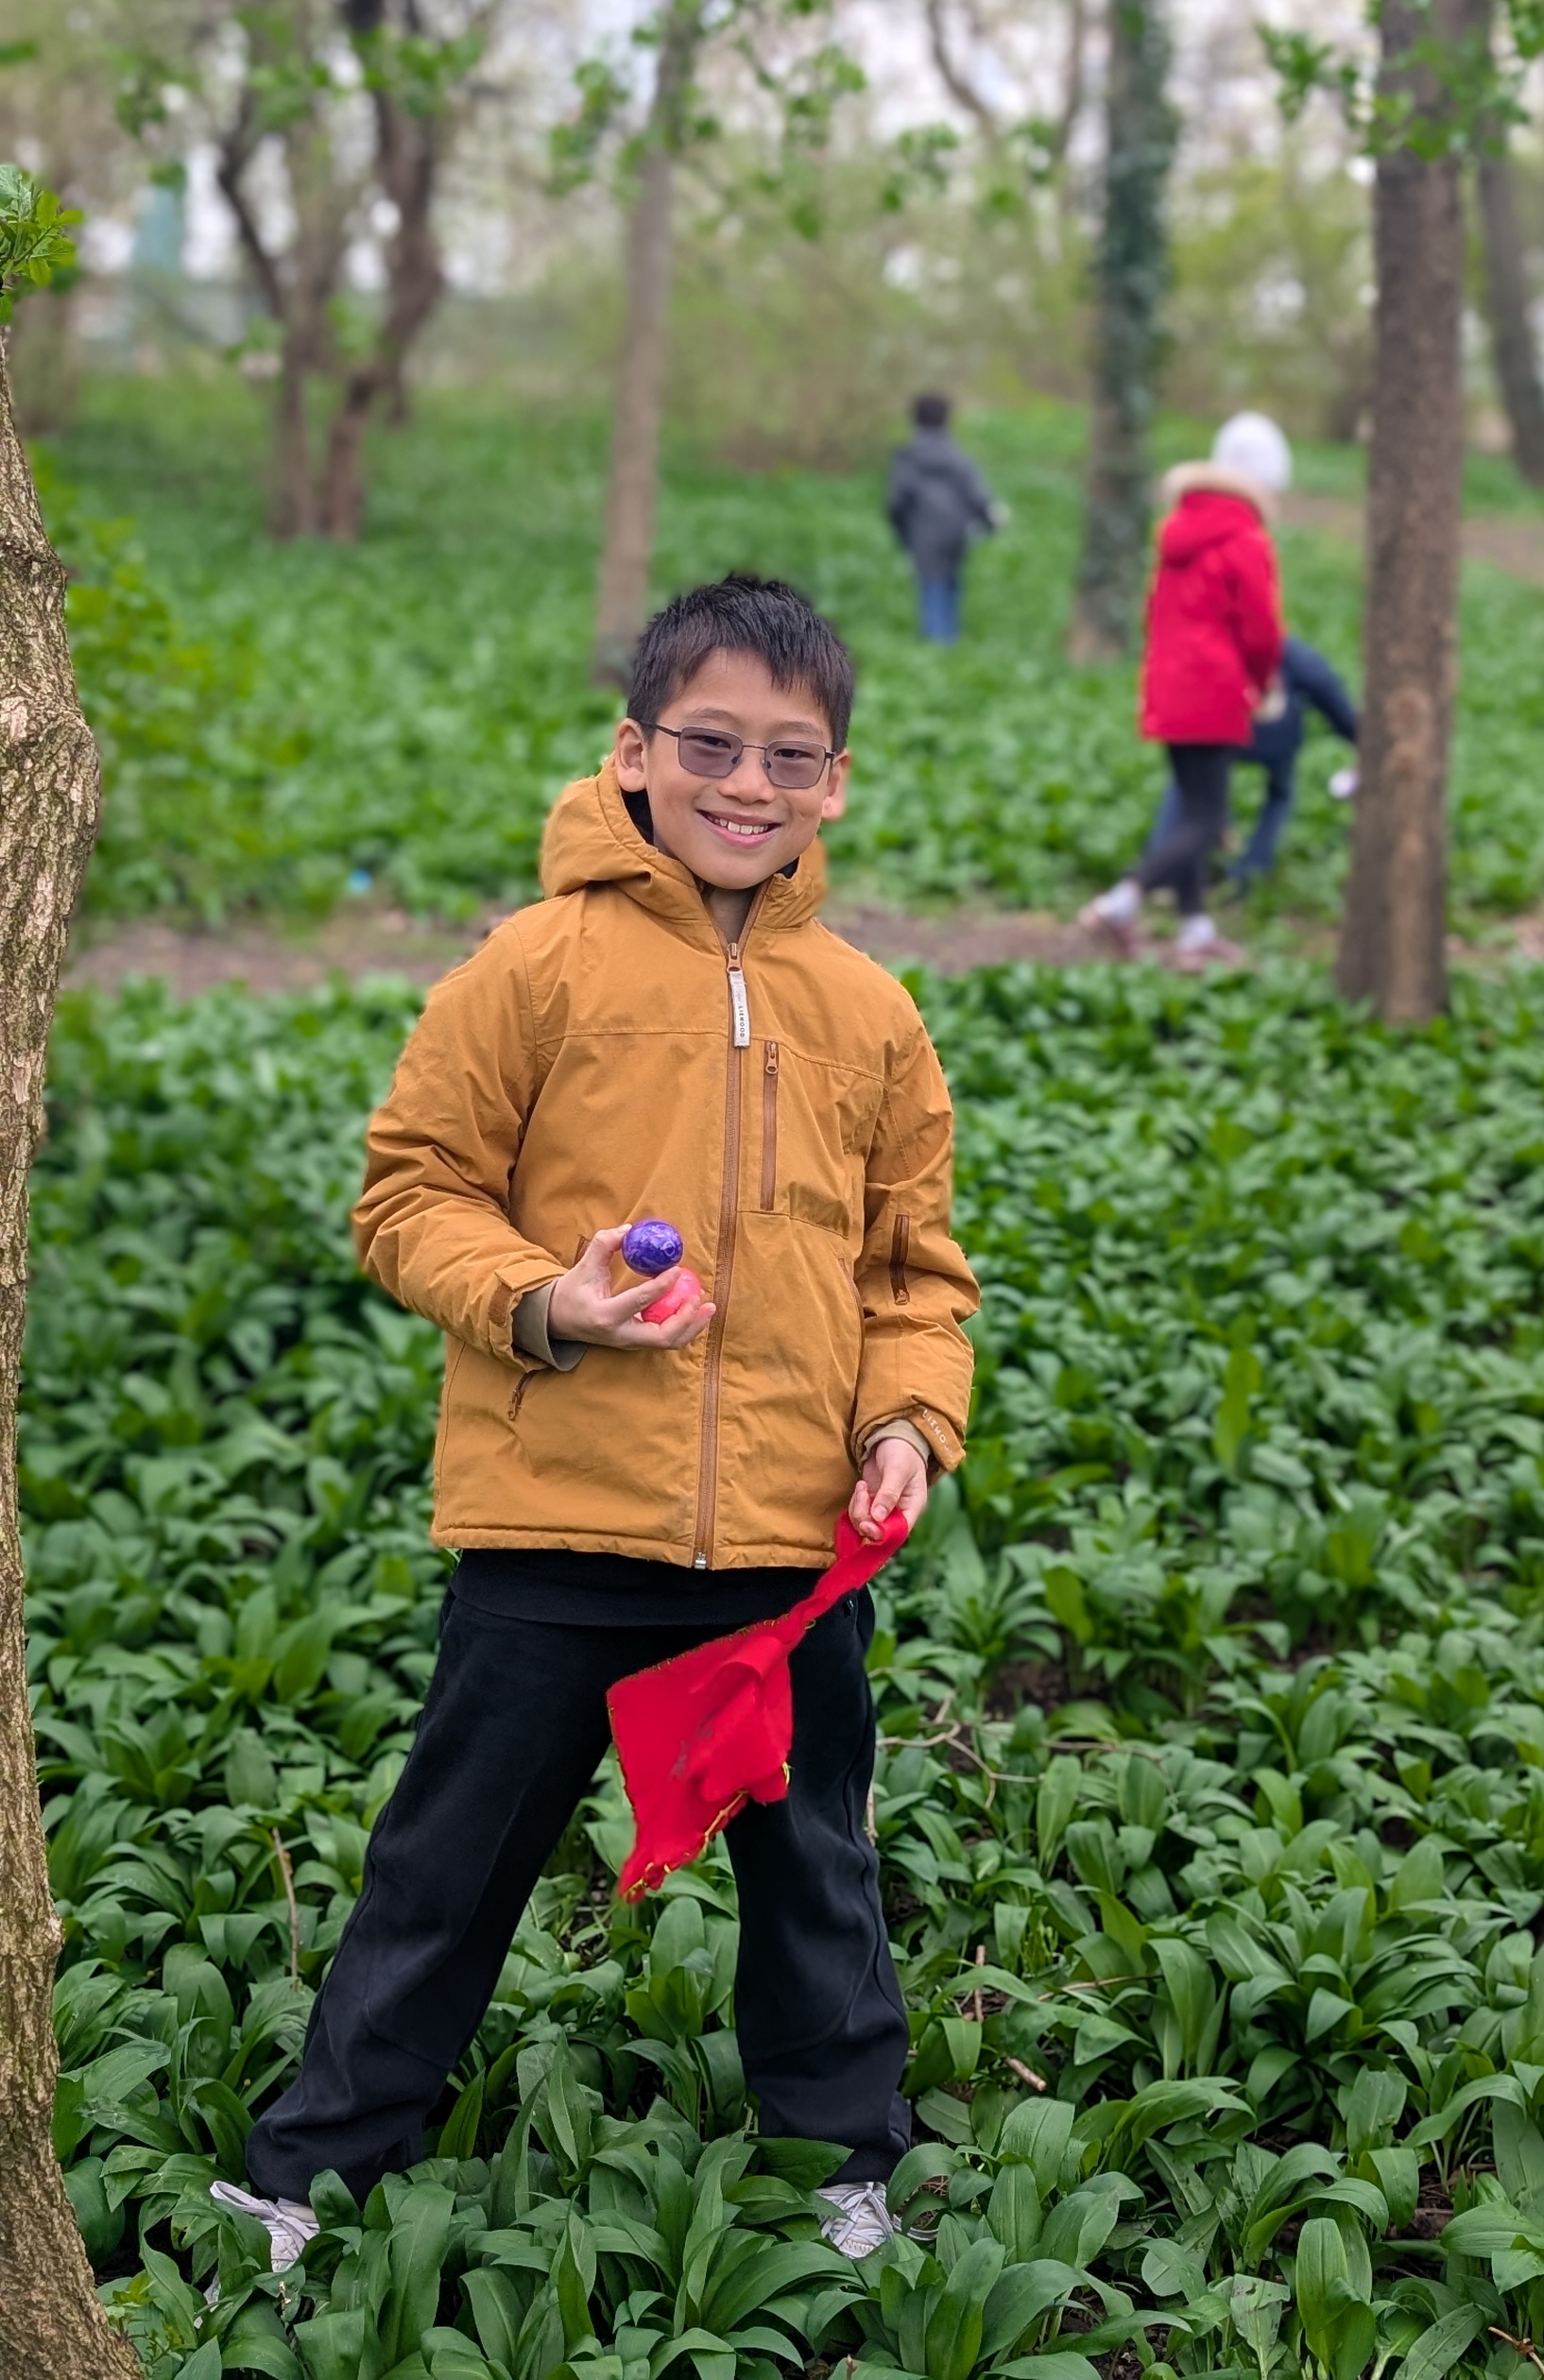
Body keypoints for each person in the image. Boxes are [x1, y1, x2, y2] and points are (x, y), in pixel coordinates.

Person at [222, 574, 980, 2269]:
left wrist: (910, 1425)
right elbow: (408, 1192)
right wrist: (543, 1303)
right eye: (708, 743)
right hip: (553, 1521)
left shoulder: (868, 1012)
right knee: (450, 1862)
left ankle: (840, 2158)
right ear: (634, 752)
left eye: (791, 755)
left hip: (788, 1551)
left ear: (836, 781)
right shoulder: (537, 965)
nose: (747, 783)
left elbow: (914, 1271)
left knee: (817, 1877)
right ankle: (312, 2171)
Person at [1079, 412, 1288, 970]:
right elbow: (1262, 628)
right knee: (1207, 816)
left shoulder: (1177, 533)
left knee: (1193, 804)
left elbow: (1155, 613)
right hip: (1216, 689)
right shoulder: (1246, 538)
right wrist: (1262, 683)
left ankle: (1195, 928)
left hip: (1168, 686)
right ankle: (1122, 902)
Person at [1141, 634, 1358, 892]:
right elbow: (1325, 689)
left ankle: (1164, 864)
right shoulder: (1290, 651)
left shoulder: (1217, 646)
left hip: (1224, 733)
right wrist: (1355, 733)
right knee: (1279, 796)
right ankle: (1250, 872)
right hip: (1274, 737)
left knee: (1188, 786)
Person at [885, 393, 1002, 642]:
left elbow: (896, 502)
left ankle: (937, 647)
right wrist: (991, 521)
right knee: (950, 580)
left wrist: (903, 533)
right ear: (947, 420)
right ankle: (950, 640)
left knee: (931, 585)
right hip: (957, 531)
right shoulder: (958, 457)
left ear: (915, 420)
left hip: (923, 532)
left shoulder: (908, 459)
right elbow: (976, 495)